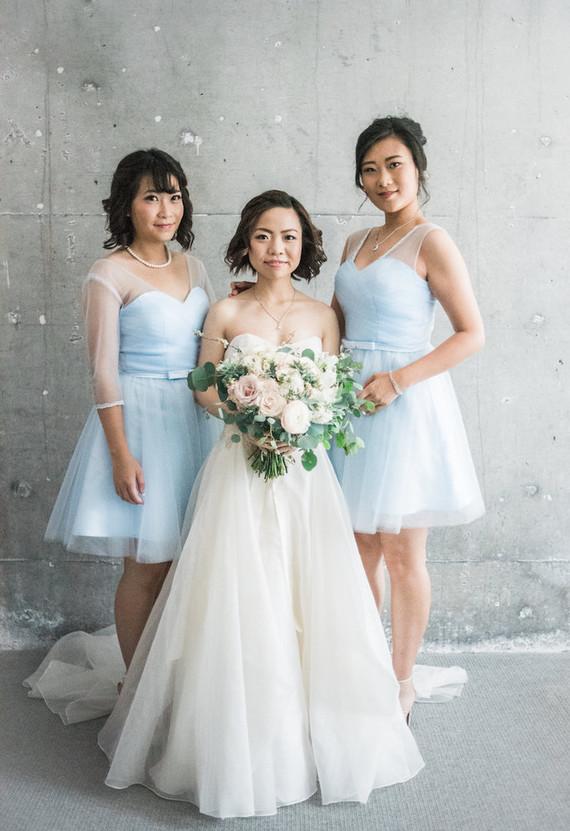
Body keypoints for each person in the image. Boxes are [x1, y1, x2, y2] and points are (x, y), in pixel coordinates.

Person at [98, 190, 424, 819]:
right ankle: (235, 727)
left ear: (306, 247)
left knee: (308, 587)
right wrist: (248, 417)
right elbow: (202, 389)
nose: (278, 248)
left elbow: (332, 391)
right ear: (247, 242)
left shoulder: (323, 317)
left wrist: (300, 422)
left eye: (290, 237)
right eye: (265, 236)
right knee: (241, 587)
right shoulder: (224, 310)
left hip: (304, 476)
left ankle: (314, 717)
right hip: (237, 469)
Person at [329, 116, 485, 721]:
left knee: (402, 553)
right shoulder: (354, 243)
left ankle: (401, 682)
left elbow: (470, 334)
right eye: (369, 170)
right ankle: (363, 665)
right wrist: (269, 305)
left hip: (404, 404)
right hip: (350, 403)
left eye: (394, 165)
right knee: (356, 548)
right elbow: (336, 325)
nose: (383, 179)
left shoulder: (431, 241)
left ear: (417, 167)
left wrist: (397, 381)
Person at [40, 149, 219, 672]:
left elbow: (214, 346)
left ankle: (172, 677)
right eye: (152, 197)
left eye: (174, 197)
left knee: (189, 562)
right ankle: (135, 687)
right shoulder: (108, 274)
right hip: (141, 424)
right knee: (146, 564)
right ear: (126, 205)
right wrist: (121, 455)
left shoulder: (195, 267)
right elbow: (103, 373)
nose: (166, 210)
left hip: (196, 420)